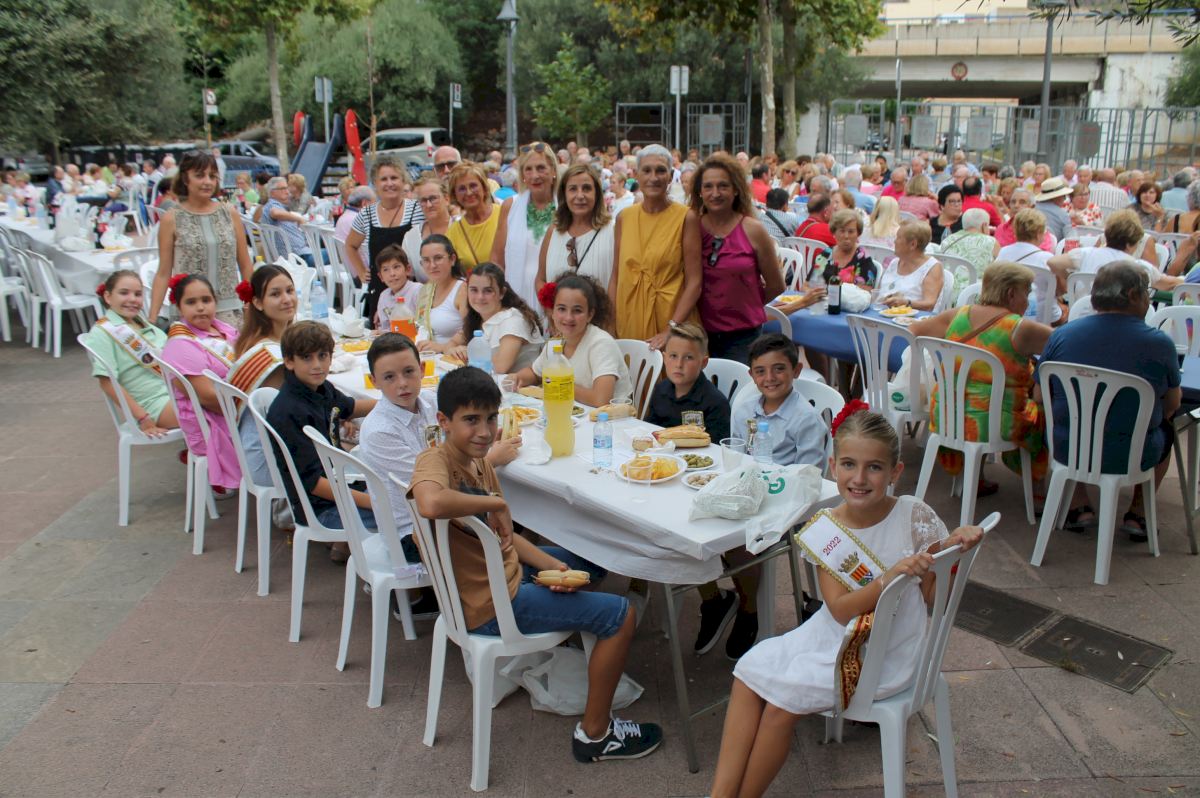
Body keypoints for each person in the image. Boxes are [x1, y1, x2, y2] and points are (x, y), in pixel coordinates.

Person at [710, 409, 983, 798]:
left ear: (895, 471)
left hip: (886, 653)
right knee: (748, 672)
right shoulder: (826, 527)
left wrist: (952, 554)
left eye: (874, 467)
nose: (859, 478)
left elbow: (932, 596)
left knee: (780, 707)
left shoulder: (913, 515)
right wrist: (889, 578)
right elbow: (838, 611)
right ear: (833, 466)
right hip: (831, 633)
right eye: (850, 465)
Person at [409, 366, 663, 763]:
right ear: (443, 421)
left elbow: (506, 541)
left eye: (491, 418)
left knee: (590, 562)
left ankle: (576, 633)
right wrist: (496, 502)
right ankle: (596, 735)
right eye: (471, 420)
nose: (484, 431)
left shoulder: (478, 460)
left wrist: (554, 566)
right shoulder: (434, 460)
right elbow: (429, 501)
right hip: (491, 606)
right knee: (621, 616)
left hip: (498, 579)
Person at [358, 333, 518, 619]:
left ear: (422, 369)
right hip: (412, 533)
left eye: (409, 372)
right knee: (506, 525)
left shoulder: (430, 403)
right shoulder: (380, 431)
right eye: (389, 377)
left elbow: (454, 446)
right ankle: (494, 601)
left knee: (505, 520)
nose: (402, 383)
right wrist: (492, 457)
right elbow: (435, 484)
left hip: (439, 517)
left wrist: (479, 435)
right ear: (374, 381)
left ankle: (514, 582)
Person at [1036, 261, 1180, 540]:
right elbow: (1172, 405)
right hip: (1132, 453)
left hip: (1067, 446)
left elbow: (1040, 395)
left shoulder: (1062, 335)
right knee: (1167, 428)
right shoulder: (1159, 343)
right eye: (1147, 292)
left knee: (1062, 419)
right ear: (1133, 295)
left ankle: (1078, 505)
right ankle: (1138, 513)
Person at [910, 262, 1051, 491]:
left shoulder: (958, 314)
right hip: (995, 424)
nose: (1028, 302)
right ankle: (1037, 488)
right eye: (1027, 293)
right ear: (1011, 293)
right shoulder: (1020, 328)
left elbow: (914, 330)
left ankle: (974, 478)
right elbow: (1064, 344)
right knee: (1042, 409)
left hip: (946, 414)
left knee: (984, 399)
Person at [266, 321, 377, 560]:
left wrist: (394, 402)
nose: (317, 365)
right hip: (320, 508)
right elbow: (314, 484)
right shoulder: (290, 411)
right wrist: (374, 503)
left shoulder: (320, 388)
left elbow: (350, 407)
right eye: (307, 357)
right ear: (289, 361)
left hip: (340, 483)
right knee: (405, 515)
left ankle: (346, 545)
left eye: (323, 356)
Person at [692, 153, 786, 364]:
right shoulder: (691, 229)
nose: (715, 193)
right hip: (699, 334)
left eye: (723, 186)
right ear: (700, 191)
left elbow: (776, 284)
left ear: (736, 189)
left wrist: (745, 304)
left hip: (743, 337)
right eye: (708, 187)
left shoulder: (754, 230)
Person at [610, 144, 702, 349]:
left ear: (670, 177)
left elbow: (695, 282)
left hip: (672, 322)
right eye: (647, 170)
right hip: (629, 318)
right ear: (636, 175)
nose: (654, 177)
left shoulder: (686, 217)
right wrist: (611, 322)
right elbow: (616, 275)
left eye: (660, 171)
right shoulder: (624, 217)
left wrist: (671, 328)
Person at [150, 150, 253, 323]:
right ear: (185, 179)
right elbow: (163, 273)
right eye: (199, 176)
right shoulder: (171, 218)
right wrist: (152, 318)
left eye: (212, 176)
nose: (207, 182)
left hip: (228, 311)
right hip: (189, 313)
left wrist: (250, 304)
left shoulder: (229, 213)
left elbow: (245, 265)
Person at [161, 274, 241, 493]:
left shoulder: (222, 329)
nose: (200, 307)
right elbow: (209, 399)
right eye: (191, 302)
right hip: (215, 422)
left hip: (232, 408)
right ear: (179, 307)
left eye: (206, 300)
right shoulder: (182, 345)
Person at [512, 274, 632, 406]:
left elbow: (601, 400)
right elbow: (535, 373)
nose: (568, 317)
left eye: (577, 311)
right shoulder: (555, 343)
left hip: (609, 417)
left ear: (590, 315)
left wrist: (560, 384)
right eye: (562, 309)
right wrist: (518, 377)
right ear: (553, 312)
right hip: (570, 413)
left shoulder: (601, 343)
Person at [85, 270, 177, 437]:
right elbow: (107, 382)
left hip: (177, 392)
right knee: (220, 405)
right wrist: (143, 418)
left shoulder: (144, 325)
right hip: (154, 406)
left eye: (138, 294)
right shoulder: (102, 332)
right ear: (108, 297)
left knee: (223, 398)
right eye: (124, 293)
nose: (132, 299)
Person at [228, 264, 296, 487]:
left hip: (268, 447)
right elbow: (293, 414)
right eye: (275, 294)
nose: (287, 299)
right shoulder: (269, 356)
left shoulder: (260, 340)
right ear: (257, 303)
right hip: (268, 460)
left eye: (290, 290)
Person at [345, 155, 425, 325]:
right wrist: (361, 271)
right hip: (381, 289)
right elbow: (350, 245)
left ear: (403, 181)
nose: (389, 183)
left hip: (412, 290)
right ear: (375, 183)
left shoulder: (417, 209)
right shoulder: (366, 214)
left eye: (394, 178)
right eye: (384, 179)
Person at [489, 142, 558, 312]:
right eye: (528, 169)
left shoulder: (566, 208)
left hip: (556, 301)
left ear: (553, 171)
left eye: (541, 168)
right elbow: (497, 259)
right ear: (522, 175)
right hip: (515, 300)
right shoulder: (510, 206)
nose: (535, 175)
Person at [445, 263, 544, 373]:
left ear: (502, 293)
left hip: (515, 383)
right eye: (474, 290)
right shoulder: (477, 318)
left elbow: (500, 367)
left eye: (488, 291)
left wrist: (468, 356)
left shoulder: (513, 320)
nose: (480, 297)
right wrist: (455, 351)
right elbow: (451, 344)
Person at [1052, 209, 1181, 292]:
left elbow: (1053, 262)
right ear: (1131, 243)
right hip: (1116, 322)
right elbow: (1168, 284)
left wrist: (1071, 279)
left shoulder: (1085, 254)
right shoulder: (1138, 267)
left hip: (1080, 315)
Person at [645, 321, 731, 443]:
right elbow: (650, 431)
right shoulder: (660, 390)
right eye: (673, 356)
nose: (679, 364)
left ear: (703, 363)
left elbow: (716, 448)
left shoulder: (716, 403)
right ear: (664, 358)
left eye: (688, 357)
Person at [537, 163, 615, 295]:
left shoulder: (613, 231)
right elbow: (540, 279)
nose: (580, 195)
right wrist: (550, 305)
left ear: (597, 194)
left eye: (586, 188)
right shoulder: (553, 231)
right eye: (573, 189)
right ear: (564, 194)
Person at [996, 209, 1062, 324]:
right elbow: (1060, 290)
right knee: (1066, 310)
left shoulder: (1003, 253)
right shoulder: (1047, 259)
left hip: (1010, 316)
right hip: (1043, 319)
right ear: (1038, 234)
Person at [413, 234, 468, 352]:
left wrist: (443, 347)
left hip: (453, 357)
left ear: (452, 259)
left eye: (438, 258)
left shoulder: (463, 289)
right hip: (427, 356)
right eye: (426, 260)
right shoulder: (425, 290)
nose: (432, 265)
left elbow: (471, 327)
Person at [876, 221, 945, 311]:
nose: (895, 241)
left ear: (913, 244)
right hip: (882, 314)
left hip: (912, 318)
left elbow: (929, 304)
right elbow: (878, 293)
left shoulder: (932, 267)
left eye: (899, 238)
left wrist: (906, 303)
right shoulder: (894, 263)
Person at [446, 162, 500, 270]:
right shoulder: (453, 232)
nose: (469, 193)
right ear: (455, 195)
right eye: (462, 189)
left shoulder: (504, 214)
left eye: (473, 186)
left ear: (484, 188)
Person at [259, 177, 316, 267]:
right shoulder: (272, 204)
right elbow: (275, 212)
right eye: (283, 189)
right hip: (299, 258)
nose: (287, 192)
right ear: (272, 193)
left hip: (297, 255)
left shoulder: (276, 205)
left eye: (287, 188)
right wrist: (299, 219)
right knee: (336, 251)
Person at [403, 178, 451, 282]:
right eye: (423, 201)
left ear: (447, 199)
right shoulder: (410, 237)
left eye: (433, 198)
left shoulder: (461, 227)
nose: (429, 205)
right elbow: (408, 278)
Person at [814, 209, 877, 289]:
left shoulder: (863, 258)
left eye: (851, 232)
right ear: (834, 232)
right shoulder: (826, 254)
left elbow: (867, 291)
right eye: (842, 231)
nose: (846, 236)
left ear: (858, 233)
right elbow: (807, 285)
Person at [938, 207, 993, 294]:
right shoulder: (991, 242)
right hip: (974, 294)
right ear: (984, 225)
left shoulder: (948, 239)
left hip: (945, 292)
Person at [373, 244, 422, 332]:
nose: (392, 273)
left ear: (408, 269)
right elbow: (385, 328)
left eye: (396, 267)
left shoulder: (418, 290)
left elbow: (424, 324)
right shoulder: (384, 296)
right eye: (386, 270)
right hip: (393, 338)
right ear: (381, 277)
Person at [334, 184, 376, 277]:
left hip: (349, 270)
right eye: (374, 204)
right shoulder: (360, 220)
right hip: (363, 273)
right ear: (365, 203)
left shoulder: (344, 217)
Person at [1034, 177, 1074, 242]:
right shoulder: (1062, 215)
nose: (1064, 199)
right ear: (1057, 197)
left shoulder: (1032, 209)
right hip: (1054, 247)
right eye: (1063, 195)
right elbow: (1070, 239)